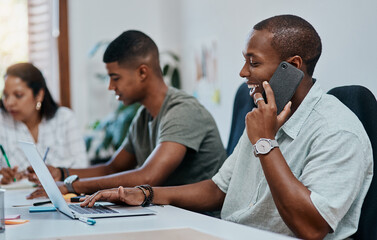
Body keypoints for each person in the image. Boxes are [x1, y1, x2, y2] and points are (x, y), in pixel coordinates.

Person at [80, 15, 373, 240]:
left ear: (293, 67)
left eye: (253, 62)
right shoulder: (263, 118)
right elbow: (219, 189)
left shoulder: (338, 130)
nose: (243, 72)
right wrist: (146, 194)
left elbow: (312, 228)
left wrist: (265, 143)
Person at [27, 30, 227, 198]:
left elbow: (148, 177)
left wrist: (71, 187)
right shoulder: (143, 116)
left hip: (200, 220)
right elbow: (113, 168)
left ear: (142, 72)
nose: (111, 86)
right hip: (167, 213)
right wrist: (61, 173)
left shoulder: (183, 111)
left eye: (115, 78)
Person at [0, 63, 87, 184]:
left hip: (62, 197)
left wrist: (58, 173)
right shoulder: (2, 122)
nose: (9, 102)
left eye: (18, 95)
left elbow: (83, 169)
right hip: (15, 199)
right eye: (5, 95)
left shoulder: (65, 118)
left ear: (39, 95)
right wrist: (2, 178)